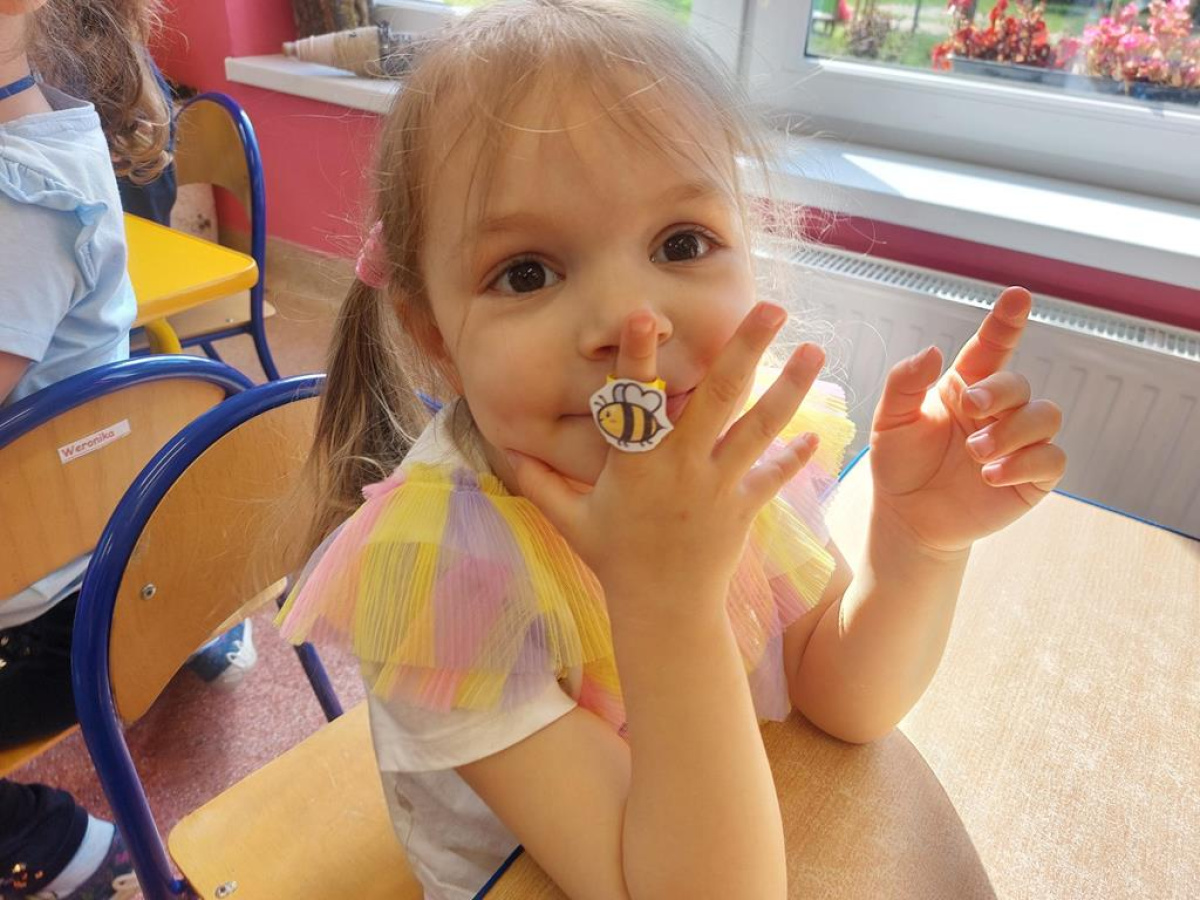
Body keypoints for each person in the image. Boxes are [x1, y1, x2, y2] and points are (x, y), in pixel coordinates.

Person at [276, 1, 1068, 898]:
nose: (633, 323)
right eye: (527, 272)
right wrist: (668, 593)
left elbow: (845, 700)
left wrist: (919, 545)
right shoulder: (448, 574)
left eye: (681, 243)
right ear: (437, 340)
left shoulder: (727, 453)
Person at [0, 0, 166, 897]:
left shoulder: (20, 199)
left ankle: (55, 843)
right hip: (84, 543)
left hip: (50, 616)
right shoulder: (47, 127)